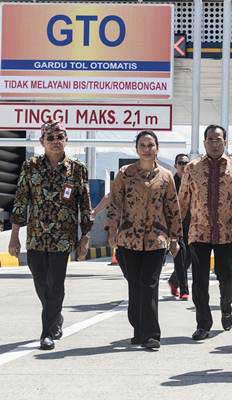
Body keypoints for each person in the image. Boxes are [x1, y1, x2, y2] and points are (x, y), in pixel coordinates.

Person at [8, 121, 92, 351]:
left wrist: (85, 237)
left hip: (63, 238)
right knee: (40, 282)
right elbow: (21, 201)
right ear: (42, 141)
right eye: (51, 137)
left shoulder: (77, 169)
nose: (56, 141)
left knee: (55, 285)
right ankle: (55, 317)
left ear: (66, 139)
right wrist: (14, 236)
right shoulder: (30, 166)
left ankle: (47, 333)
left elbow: (84, 204)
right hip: (36, 236)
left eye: (60, 136)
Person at [105, 130, 182, 349]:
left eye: (151, 145)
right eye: (143, 145)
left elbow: (172, 208)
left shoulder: (166, 176)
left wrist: (175, 237)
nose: (147, 149)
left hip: (156, 240)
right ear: (136, 148)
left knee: (149, 283)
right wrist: (112, 231)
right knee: (135, 285)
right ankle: (138, 328)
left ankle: (151, 334)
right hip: (128, 239)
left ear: (157, 148)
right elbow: (115, 204)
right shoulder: (125, 173)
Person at [179, 125, 232, 340]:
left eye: (218, 139)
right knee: (199, 281)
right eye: (210, 139)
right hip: (198, 232)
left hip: (227, 233)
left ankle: (226, 307)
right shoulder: (192, 168)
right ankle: (203, 323)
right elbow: (182, 200)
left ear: (225, 142)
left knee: (227, 277)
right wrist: (174, 229)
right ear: (204, 142)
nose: (214, 143)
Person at [167, 153, 192, 300]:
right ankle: (184, 290)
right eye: (181, 163)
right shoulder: (170, 181)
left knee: (189, 257)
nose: (184, 166)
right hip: (175, 225)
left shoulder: (192, 181)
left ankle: (173, 281)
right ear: (176, 165)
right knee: (179, 255)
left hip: (191, 224)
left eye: (186, 163)